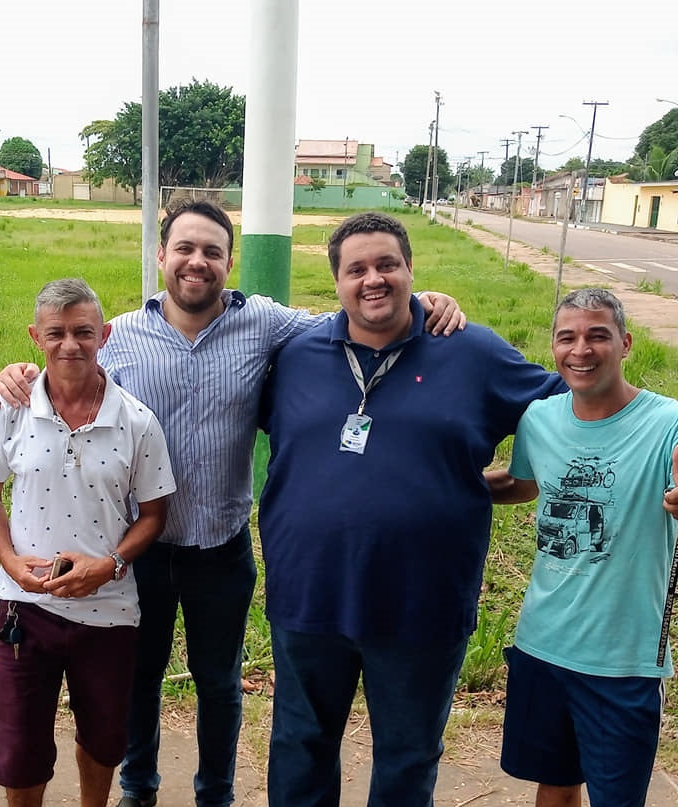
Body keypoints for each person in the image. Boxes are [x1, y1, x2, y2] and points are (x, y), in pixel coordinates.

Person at [0, 199, 465, 807]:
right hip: (139, 548)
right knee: (139, 678)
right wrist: (16, 373)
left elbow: (350, 316)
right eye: (185, 248)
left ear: (229, 262)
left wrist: (424, 301)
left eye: (212, 251)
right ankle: (138, 787)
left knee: (219, 684)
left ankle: (215, 794)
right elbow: (64, 360)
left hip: (222, 548)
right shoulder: (119, 335)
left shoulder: (264, 324)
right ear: (161, 256)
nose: (198, 262)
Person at [257, 211, 567, 807]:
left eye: (387, 265)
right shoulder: (296, 355)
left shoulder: (472, 351)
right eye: (357, 269)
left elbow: (568, 408)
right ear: (337, 282)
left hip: (422, 601)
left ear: (410, 270)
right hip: (309, 592)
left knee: (408, 754)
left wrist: (526, 478)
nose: (373, 279)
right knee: (300, 745)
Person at [0, 278, 176, 807]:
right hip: (25, 608)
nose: (70, 345)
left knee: (104, 741)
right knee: (20, 748)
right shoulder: (10, 408)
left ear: (104, 335)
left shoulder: (136, 421)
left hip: (109, 611)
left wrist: (110, 564)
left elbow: (154, 514)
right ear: (35, 336)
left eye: (83, 332)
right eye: (56, 332)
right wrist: (11, 562)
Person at [485, 288, 678, 807]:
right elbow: (524, 484)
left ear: (625, 343)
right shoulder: (540, 419)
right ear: (553, 346)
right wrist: (445, 484)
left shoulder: (667, 423)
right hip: (541, 644)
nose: (581, 350)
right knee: (554, 786)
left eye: (598, 335)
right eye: (566, 337)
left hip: (624, 662)